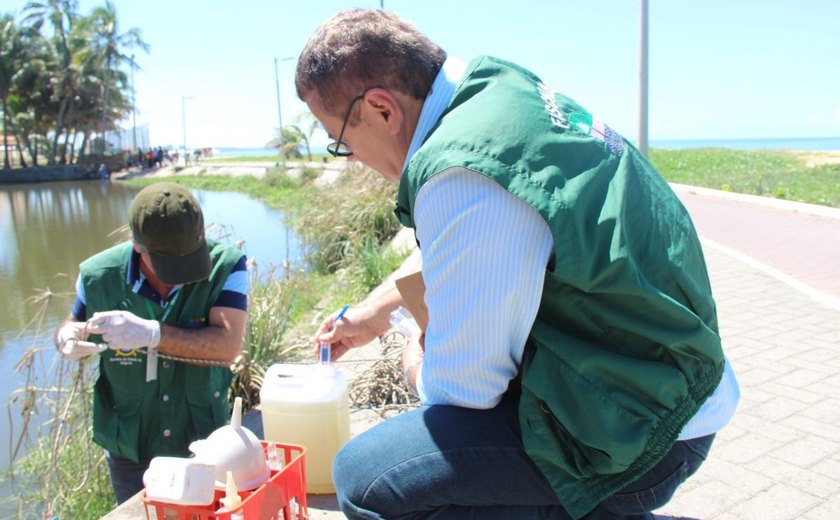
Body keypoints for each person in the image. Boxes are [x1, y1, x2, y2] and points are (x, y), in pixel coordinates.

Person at [299, 9, 740, 520]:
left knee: (367, 478)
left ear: (380, 109)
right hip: (672, 380)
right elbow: (472, 235)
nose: (350, 159)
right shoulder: (495, 96)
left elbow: (464, 394)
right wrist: (376, 311)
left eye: (342, 143)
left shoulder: (459, 174)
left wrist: (415, 363)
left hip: (646, 433)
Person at [54, 182, 249, 504]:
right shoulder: (97, 275)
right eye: (170, 263)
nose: (183, 274)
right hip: (131, 444)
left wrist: (152, 334)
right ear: (137, 246)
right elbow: (72, 322)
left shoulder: (226, 266)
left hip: (201, 437)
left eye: (190, 259)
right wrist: (66, 338)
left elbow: (228, 345)